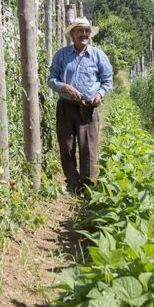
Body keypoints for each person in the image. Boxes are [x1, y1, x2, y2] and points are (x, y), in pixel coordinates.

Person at [48, 17, 113, 194]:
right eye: (80, 31)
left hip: (88, 107)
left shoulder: (98, 55)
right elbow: (52, 79)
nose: (84, 34)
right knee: (66, 146)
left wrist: (99, 94)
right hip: (66, 106)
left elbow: (107, 81)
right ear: (72, 34)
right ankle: (72, 183)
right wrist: (64, 87)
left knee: (88, 148)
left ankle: (88, 187)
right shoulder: (61, 55)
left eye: (87, 31)